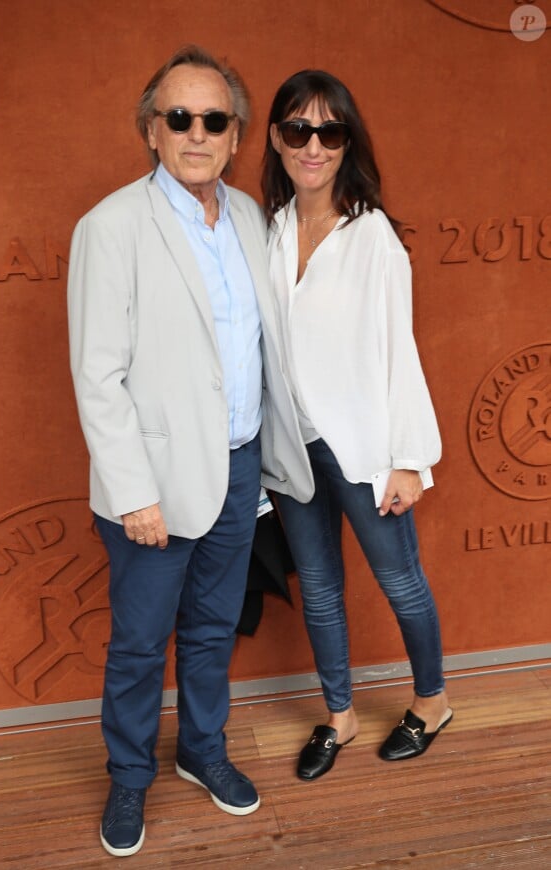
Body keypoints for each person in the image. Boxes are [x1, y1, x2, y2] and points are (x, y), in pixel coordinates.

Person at [67, 46, 313, 857]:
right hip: (156, 482)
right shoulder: (109, 228)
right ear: (151, 129)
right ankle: (130, 777)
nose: (196, 133)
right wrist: (133, 490)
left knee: (213, 628)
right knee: (141, 643)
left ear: (237, 134)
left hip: (240, 466)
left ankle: (203, 752)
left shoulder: (247, 215)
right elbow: (97, 376)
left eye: (214, 119)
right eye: (180, 118)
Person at [261, 69, 452, 782]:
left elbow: (398, 351)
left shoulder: (373, 238)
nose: (313, 146)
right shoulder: (272, 227)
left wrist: (406, 457)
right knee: (318, 587)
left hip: (364, 451)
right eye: (298, 130)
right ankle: (338, 714)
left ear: (347, 143)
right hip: (293, 451)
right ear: (277, 139)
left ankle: (431, 703)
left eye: (329, 131)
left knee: (400, 582)